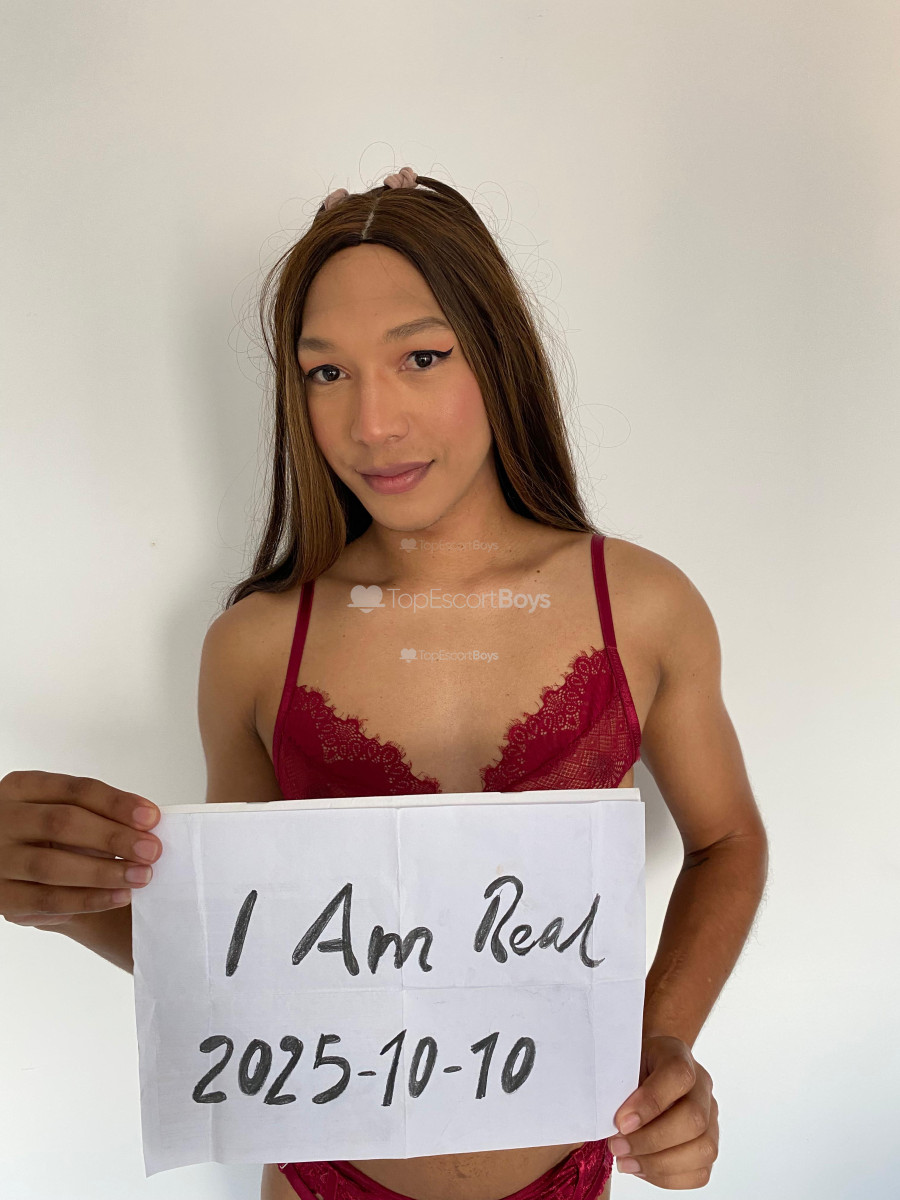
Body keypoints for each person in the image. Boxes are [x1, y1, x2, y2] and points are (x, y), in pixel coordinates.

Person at [0, 167, 768, 1198]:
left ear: (497, 353)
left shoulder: (642, 605)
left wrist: (665, 1043)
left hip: (571, 1167)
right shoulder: (254, 648)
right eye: (327, 372)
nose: (372, 423)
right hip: (320, 1179)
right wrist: (50, 894)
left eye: (421, 356)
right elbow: (250, 959)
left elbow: (726, 841)